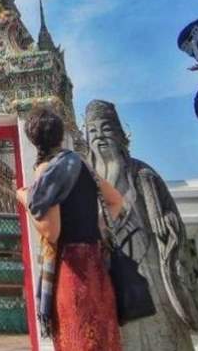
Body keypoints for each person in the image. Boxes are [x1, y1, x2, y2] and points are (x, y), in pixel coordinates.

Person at [86, 100, 198, 350]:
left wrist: (165, 223)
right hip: (107, 265)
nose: (99, 137)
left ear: (120, 135)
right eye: (92, 132)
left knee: (158, 322)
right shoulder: (86, 177)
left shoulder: (141, 174)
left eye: (106, 129)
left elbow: (168, 213)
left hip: (148, 263)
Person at [19, 108, 124, 351]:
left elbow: (51, 232)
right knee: (104, 339)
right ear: (60, 134)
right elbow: (116, 201)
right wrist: (94, 227)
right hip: (97, 266)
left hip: (71, 271)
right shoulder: (80, 164)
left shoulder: (47, 169)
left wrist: (25, 200)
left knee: (78, 340)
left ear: (33, 139)